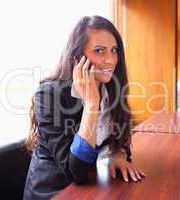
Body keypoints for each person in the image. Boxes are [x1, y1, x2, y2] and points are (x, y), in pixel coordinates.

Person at [23, 16, 146, 200]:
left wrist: (119, 153)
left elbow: (121, 131)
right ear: (77, 57)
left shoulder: (111, 88)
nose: (111, 60)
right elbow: (76, 172)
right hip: (53, 192)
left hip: (90, 188)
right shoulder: (49, 95)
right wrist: (91, 105)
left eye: (114, 50)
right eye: (99, 51)